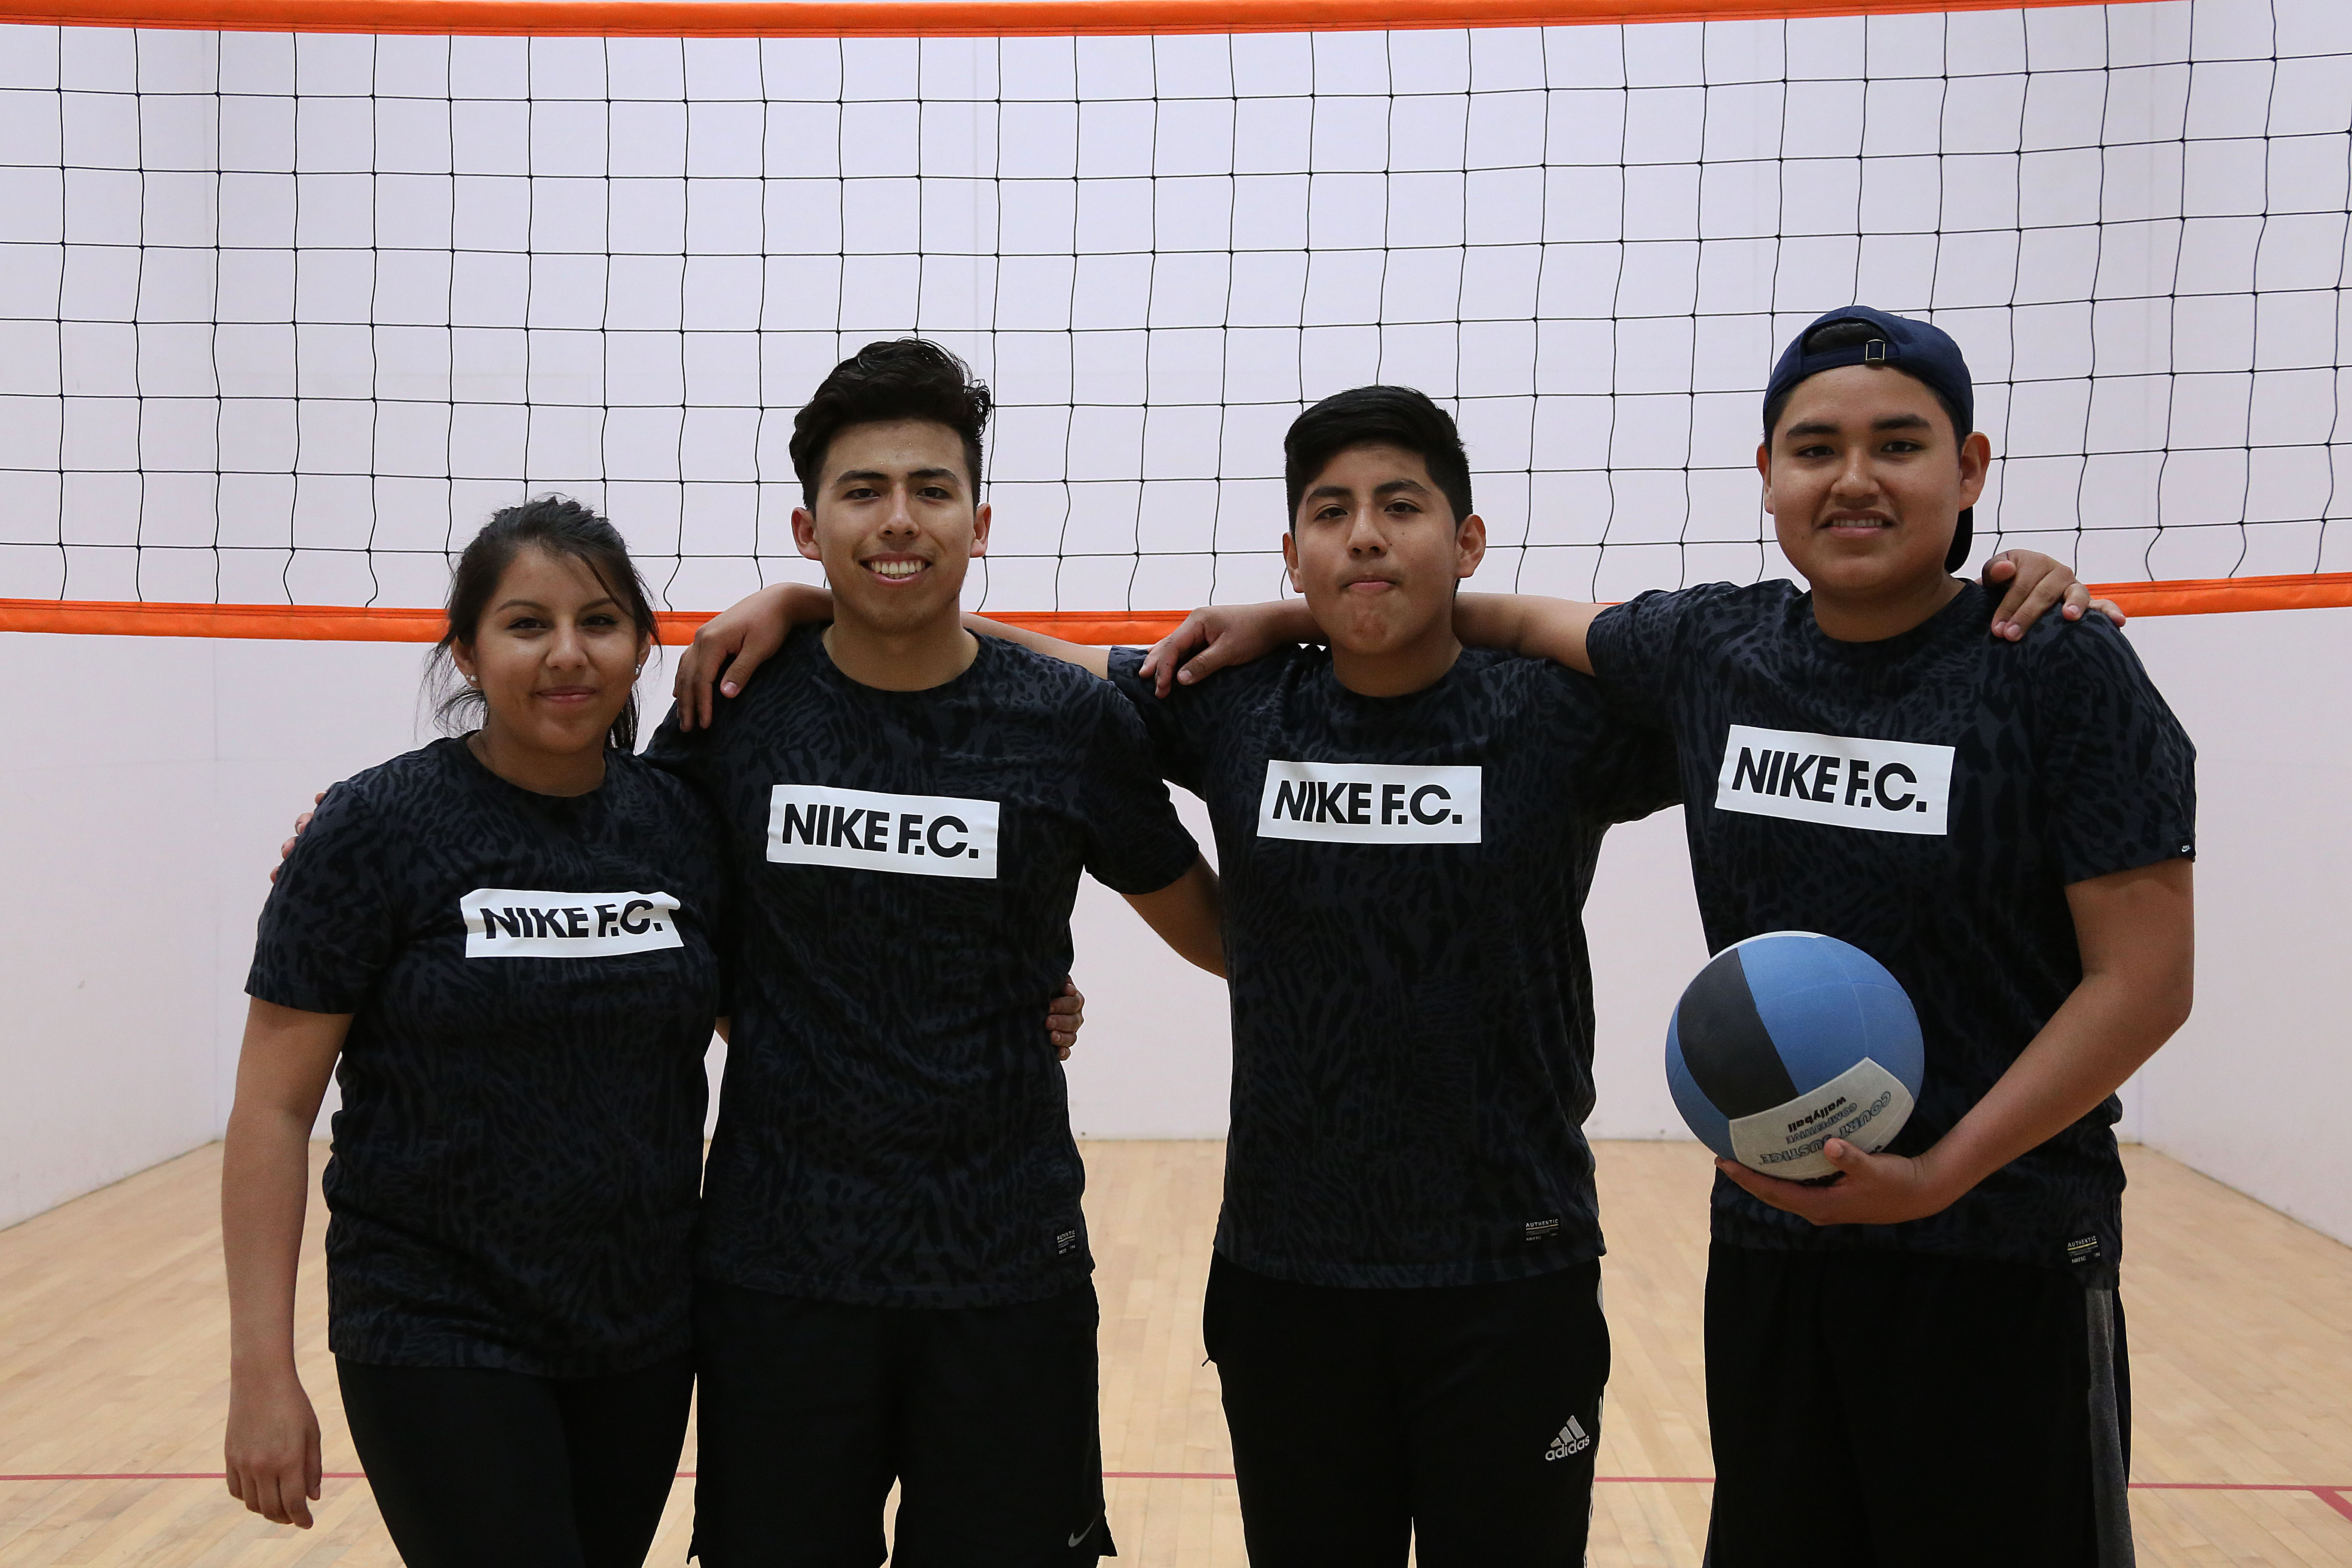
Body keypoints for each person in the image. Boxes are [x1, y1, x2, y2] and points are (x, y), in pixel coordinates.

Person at [675, 371, 2101, 1563]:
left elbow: (1812, 681)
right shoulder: (1236, 710)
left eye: (1402, 509)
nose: (1366, 537)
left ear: (1467, 540)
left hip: (1515, 1272)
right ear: (1291, 552)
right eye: (1332, 516)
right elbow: (1013, 680)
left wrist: (1981, 601)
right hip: (1286, 1274)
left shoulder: (1560, 718)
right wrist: (812, 607)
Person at [1154, 308, 2194, 1565]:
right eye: (1815, 449)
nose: (1854, 479)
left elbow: (2145, 984)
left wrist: (1941, 1174)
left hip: (2002, 1248)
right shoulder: (1718, 653)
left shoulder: (2057, 665)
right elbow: (1499, 620)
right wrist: (1300, 618)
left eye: (1898, 445)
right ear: (1768, 477)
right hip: (1773, 1236)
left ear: (1968, 470)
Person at [644, 338, 1225, 1567]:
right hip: (780, 1270)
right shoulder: (730, 713)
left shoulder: (1070, 723)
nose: (899, 519)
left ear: (980, 522)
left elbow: (1222, 935)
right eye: (863, 492)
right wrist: (363, 824)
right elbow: (636, 906)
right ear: (808, 530)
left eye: (931, 489)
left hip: (1005, 1271)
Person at [223, 499, 731, 1567]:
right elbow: (272, 1109)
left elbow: (774, 1008)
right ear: (466, 649)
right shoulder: (374, 828)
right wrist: (261, 1374)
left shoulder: (685, 826)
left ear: (644, 645)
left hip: (640, 1325)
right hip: (434, 1321)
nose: (567, 654)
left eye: (599, 622)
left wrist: (1025, 1000)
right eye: (526, 624)